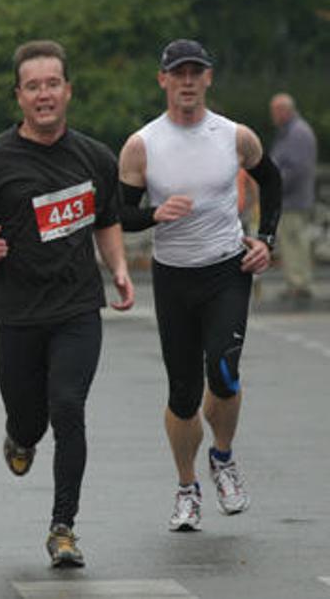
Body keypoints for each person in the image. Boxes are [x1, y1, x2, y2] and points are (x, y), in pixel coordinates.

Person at [0, 40, 134, 568]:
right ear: (19, 96)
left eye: (52, 84)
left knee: (68, 407)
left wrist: (117, 267)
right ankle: (19, 437)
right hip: (15, 312)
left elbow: (107, 218)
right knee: (29, 419)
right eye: (33, 87)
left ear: (68, 90)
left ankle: (63, 528)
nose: (44, 95)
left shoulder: (96, 158)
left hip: (77, 308)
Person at [117, 39, 282, 533]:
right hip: (174, 277)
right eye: (178, 73)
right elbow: (119, 214)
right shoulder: (143, 144)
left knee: (224, 372)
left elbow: (272, 181)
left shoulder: (235, 136)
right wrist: (154, 214)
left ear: (208, 78)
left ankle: (223, 458)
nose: (187, 81)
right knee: (184, 393)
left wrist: (266, 240)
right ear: (163, 80)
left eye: (196, 72)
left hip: (226, 270)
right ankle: (187, 487)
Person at [270, 92, 318, 301]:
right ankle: (296, 283)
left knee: (294, 243)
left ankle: (299, 284)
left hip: (293, 200)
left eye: (275, 111)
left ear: (284, 110)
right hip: (293, 199)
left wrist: (275, 186)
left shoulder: (297, 133)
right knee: (293, 243)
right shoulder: (292, 131)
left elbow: (296, 169)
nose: (273, 116)